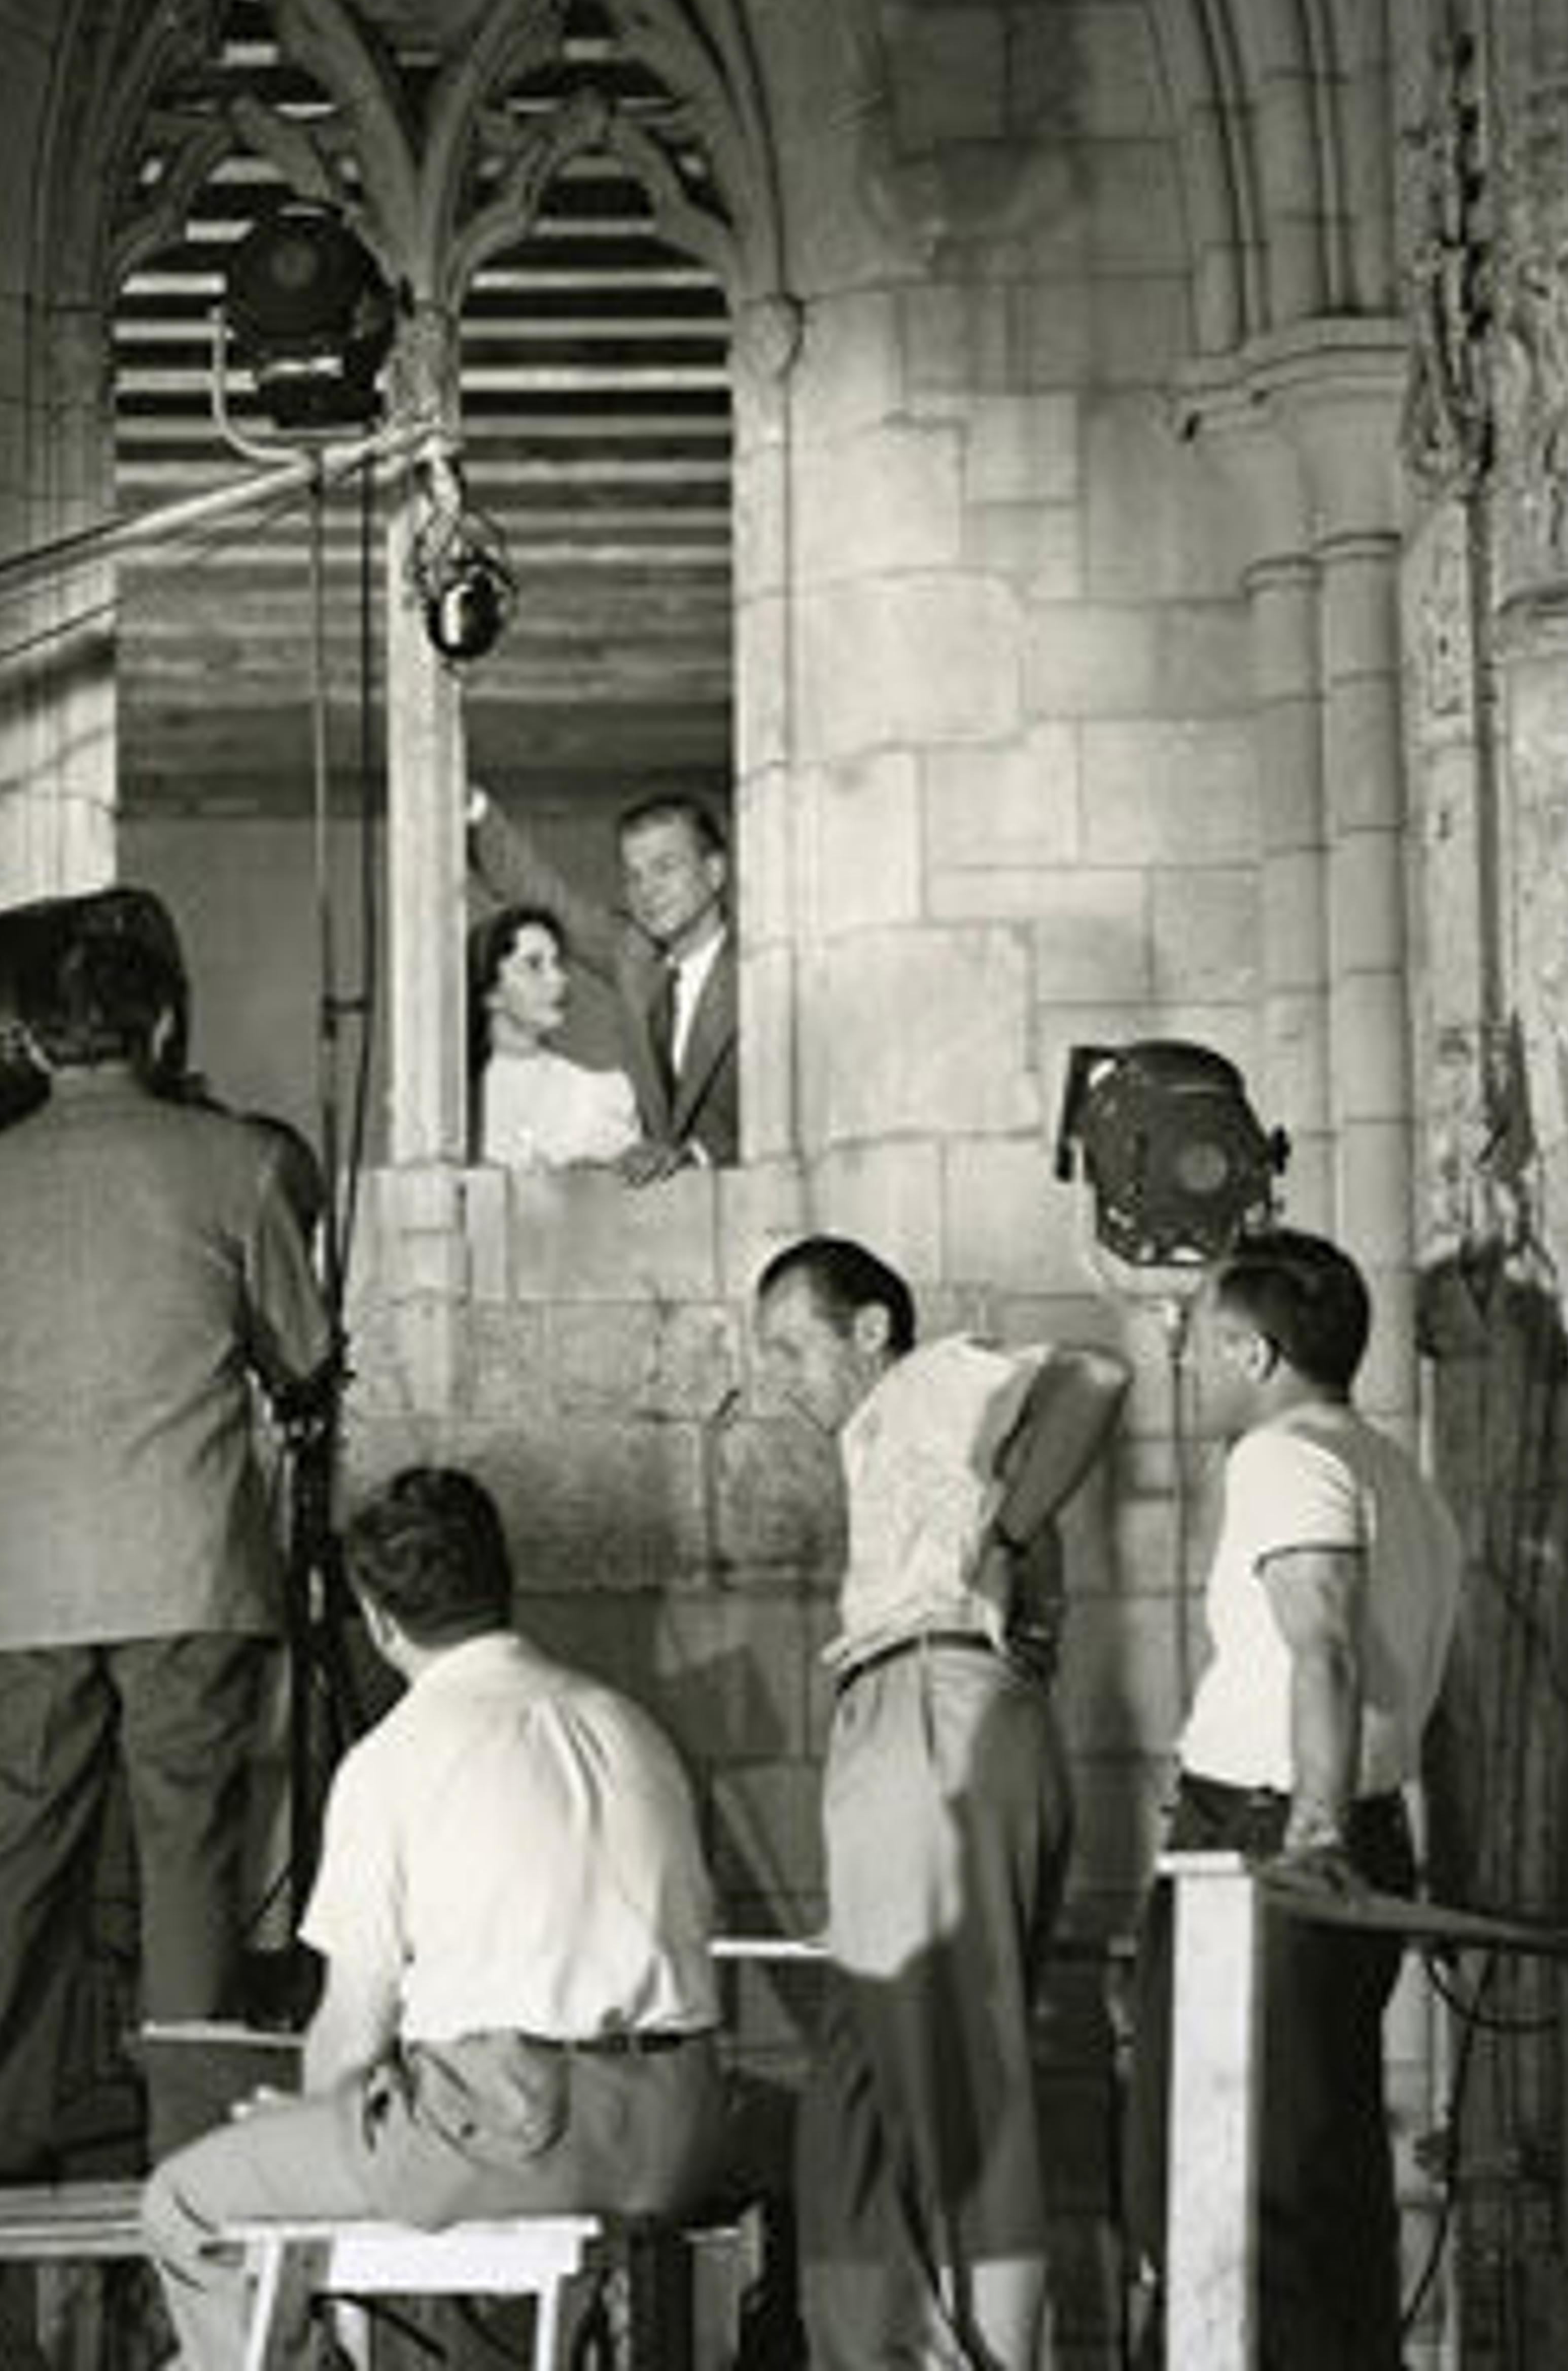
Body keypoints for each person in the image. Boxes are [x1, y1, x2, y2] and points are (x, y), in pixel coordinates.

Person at [142, 1465, 733, 2371]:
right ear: (505, 1583)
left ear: (378, 1622)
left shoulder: (395, 1760)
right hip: (677, 2132)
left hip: (514, 2129)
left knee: (183, 2204)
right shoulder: (631, 1726)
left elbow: (351, 2029)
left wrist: (301, 2119)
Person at [0, 923, 329, 2178]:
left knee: (7, 1849)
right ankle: (192, 2144)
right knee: (188, 1848)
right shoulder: (240, 1163)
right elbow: (301, 1357)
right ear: (161, 1030)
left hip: (23, 1570)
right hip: (189, 1556)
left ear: (31, 1041)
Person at [753, 1235, 1128, 2371]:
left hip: (933, 1699)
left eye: (792, 1346)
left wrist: (1003, 1539)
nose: (781, 1378)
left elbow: (1096, 1379)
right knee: (857, 2096)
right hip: (899, 1710)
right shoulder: (892, 1435)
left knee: (955, 2072)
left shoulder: (920, 1382)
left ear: (869, 1327)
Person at [1124, 1228, 1464, 2369]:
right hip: (1363, 1823)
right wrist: (1428, 1858)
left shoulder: (1283, 1456)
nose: (1193, 1366)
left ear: (1255, 1349)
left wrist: (1313, 1831)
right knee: (1326, 2169)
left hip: (1275, 1832)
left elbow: (1322, 1643)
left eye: (1206, 1343)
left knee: (1235, 2178)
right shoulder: (1398, 1472)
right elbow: (1436, 1705)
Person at [468, 784, 737, 1178]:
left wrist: (694, 1155)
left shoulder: (765, 970)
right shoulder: (635, 956)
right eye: (634, 876)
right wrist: (473, 807)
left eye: (665, 867)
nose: (648, 891)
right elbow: (543, 894)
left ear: (714, 872)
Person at [467, 903, 641, 1171]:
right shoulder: (457, 1102)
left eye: (557, 963)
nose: (560, 979)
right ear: (492, 994)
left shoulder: (599, 1093)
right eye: (534, 965)